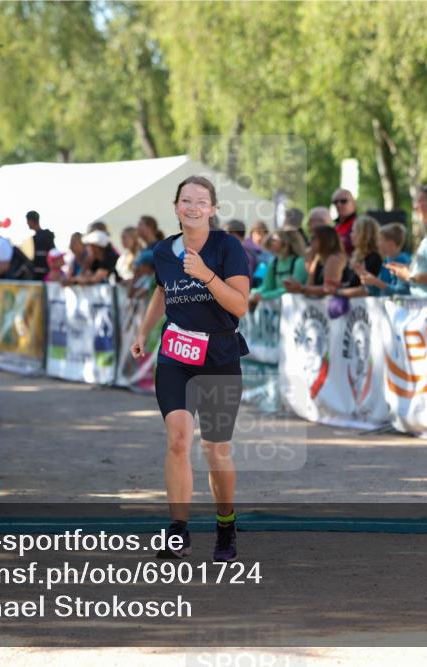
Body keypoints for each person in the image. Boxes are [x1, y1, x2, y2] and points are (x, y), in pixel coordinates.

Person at [129, 175, 250, 562]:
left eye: (201, 201)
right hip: (176, 354)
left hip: (219, 356)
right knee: (178, 439)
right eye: (186, 200)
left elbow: (240, 306)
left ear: (212, 209)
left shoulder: (227, 247)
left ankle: (226, 524)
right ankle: (178, 530)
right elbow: (162, 292)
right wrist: (144, 332)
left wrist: (207, 275)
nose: (193, 207)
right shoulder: (164, 251)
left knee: (215, 448)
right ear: (175, 207)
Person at [285, 225, 347, 297]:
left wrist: (301, 288)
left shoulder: (334, 258)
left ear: (325, 239)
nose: (309, 241)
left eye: (313, 238)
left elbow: (329, 289)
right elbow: (310, 284)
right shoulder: (318, 258)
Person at [249, 229, 307, 305]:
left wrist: (263, 296)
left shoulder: (299, 262)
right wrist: (252, 293)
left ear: (286, 243)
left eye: (274, 240)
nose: (270, 243)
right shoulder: (274, 263)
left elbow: (292, 289)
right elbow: (267, 286)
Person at [338, 216, 384, 298]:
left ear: (364, 235)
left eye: (354, 231)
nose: (351, 235)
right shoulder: (356, 257)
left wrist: (337, 292)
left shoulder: (374, 258)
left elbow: (367, 290)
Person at [26, 210, 56, 282]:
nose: (27, 224)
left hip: (46, 277)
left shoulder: (46, 236)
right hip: (38, 277)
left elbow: (52, 254)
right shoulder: (35, 238)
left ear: (31, 221)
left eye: (28, 221)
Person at [331, 188, 358, 255]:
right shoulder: (333, 227)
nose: (338, 205)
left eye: (343, 201)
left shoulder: (360, 225)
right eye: (335, 202)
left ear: (354, 203)